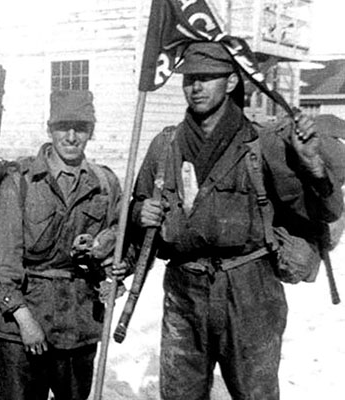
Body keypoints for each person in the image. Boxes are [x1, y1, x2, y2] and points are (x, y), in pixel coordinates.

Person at [130, 42, 344, 399]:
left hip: (250, 289)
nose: (195, 87)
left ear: (230, 83)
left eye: (207, 78)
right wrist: (140, 213)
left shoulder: (262, 144)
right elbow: (139, 206)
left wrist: (312, 166)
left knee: (256, 394)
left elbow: (322, 211)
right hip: (185, 287)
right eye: (189, 79)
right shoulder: (165, 144)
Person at [0, 90, 128, 400]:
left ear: (91, 131)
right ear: (50, 129)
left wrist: (111, 252)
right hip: (22, 324)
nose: (71, 136)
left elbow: (124, 237)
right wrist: (23, 319)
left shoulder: (106, 184)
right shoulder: (20, 183)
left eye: (81, 127)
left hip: (79, 322)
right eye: (63, 127)